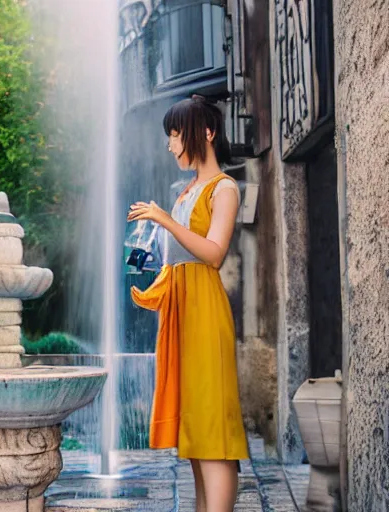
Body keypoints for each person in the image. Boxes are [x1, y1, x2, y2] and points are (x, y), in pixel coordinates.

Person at [127, 95, 248, 511]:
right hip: (181, 310)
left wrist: (165, 220)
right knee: (195, 429)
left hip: (204, 311)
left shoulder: (224, 188)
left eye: (175, 135)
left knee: (211, 425)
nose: (170, 145)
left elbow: (213, 253)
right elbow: (175, 259)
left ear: (207, 133)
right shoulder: (186, 192)